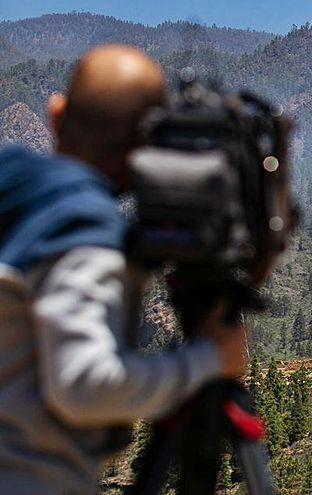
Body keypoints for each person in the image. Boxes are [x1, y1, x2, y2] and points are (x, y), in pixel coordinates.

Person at [0, 45, 249, 494]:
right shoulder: (80, 227)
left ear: (56, 115)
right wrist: (209, 361)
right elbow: (83, 386)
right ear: (148, 149)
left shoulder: (13, 186)